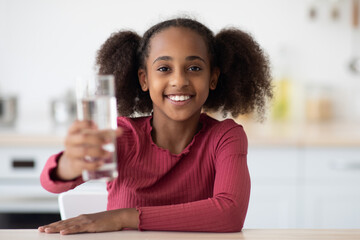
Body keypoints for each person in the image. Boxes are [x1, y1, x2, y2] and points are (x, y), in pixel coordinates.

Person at [38, 17, 272, 235]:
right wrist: (69, 163)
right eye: (164, 68)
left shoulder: (225, 137)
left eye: (194, 68)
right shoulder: (122, 135)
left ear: (213, 78)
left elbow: (229, 214)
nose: (179, 80)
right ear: (144, 79)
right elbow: (51, 183)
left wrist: (123, 217)